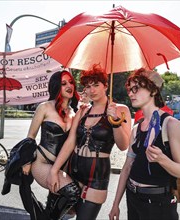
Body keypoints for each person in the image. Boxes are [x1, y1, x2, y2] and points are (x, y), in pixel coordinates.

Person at [47, 64, 132, 220]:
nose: (91, 90)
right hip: (73, 170)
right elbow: (71, 142)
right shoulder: (84, 110)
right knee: (54, 215)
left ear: (106, 86)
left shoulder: (120, 110)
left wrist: (115, 121)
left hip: (97, 174)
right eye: (87, 86)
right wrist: (54, 170)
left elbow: (123, 145)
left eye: (96, 85)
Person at [109, 68, 180, 220]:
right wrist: (115, 204)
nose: (131, 94)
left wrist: (162, 159)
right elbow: (127, 167)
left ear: (152, 91)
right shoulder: (136, 128)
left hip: (158, 204)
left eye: (136, 88)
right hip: (133, 198)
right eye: (129, 89)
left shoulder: (170, 124)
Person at [20, 70, 81, 219]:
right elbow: (31, 136)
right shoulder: (45, 107)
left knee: (57, 204)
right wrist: (27, 161)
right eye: (63, 83)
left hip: (62, 167)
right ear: (55, 87)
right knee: (72, 192)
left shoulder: (74, 113)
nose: (69, 86)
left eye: (71, 82)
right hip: (41, 162)